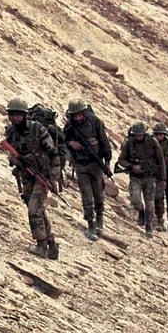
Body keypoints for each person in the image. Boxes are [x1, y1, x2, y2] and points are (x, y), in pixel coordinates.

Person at [3, 98, 60, 259]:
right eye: (12, 115)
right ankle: (51, 243)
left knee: (34, 210)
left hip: (43, 176)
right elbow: (10, 152)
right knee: (38, 210)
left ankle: (41, 245)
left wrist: (54, 179)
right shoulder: (10, 132)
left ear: (24, 115)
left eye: (18, 115)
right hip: (26, 176)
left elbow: (54, 154)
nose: (15, 118)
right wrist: (16, 160)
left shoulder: (37, 129)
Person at [63, 98, 112, 241]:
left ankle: (100, 220)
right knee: (86, 195)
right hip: (81, 165)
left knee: (98, 194)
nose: (78, 118)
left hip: (96, 164)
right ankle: (91, 225)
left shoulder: (95, 122)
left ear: (84, 113)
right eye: (75, 115)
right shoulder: (70, 126)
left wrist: (107, 163)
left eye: (80, 114)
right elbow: (63, 141)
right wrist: (71, 143)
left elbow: (105, 143)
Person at [116, 122, 165, 237]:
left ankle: (149, 227)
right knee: (135, 199)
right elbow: (121, 160)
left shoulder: (152, 142)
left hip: (150, 177)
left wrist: (163, 178)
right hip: (135, 177)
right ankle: (140, 211)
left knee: (150, 204)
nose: (138, 137)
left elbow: (161, 160)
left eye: (140, 135)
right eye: (136, 135)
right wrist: (131, 166)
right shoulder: (129, 143)